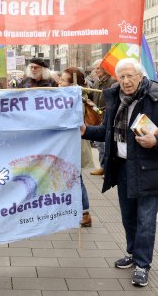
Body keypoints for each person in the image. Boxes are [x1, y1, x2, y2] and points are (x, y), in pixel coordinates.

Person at [81, 58, 158, 287]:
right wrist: (86, 130)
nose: (126, 81)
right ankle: (132, 253)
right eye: (122, 77)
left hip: (149, 168)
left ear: (140, 77)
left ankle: (142, 264)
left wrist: (156, 141)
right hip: (123, 167)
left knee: (146, 219)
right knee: (128, 217)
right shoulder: (114, 98)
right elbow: (106, 131)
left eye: (130, 76)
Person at [59, 67, 95, 227]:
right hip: (67, 145)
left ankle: (85, 213)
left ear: (72, 84)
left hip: (75, 146)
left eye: (63, 80)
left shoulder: (76, 101)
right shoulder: (64, 97)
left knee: (76, 178)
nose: (59, 82)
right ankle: (74, 209)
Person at [88, 59, 116, 177]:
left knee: (107, 145)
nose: (96, 71)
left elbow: (113, 101)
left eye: (98, 68)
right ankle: (103, 166)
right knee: (99, 144)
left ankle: (109, 169)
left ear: (105, 68)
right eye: (95, 68)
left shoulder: (112, 81)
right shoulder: (96, 83)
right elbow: (92, 97)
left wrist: (100, 108)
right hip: (98, 116)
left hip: (108, 116)